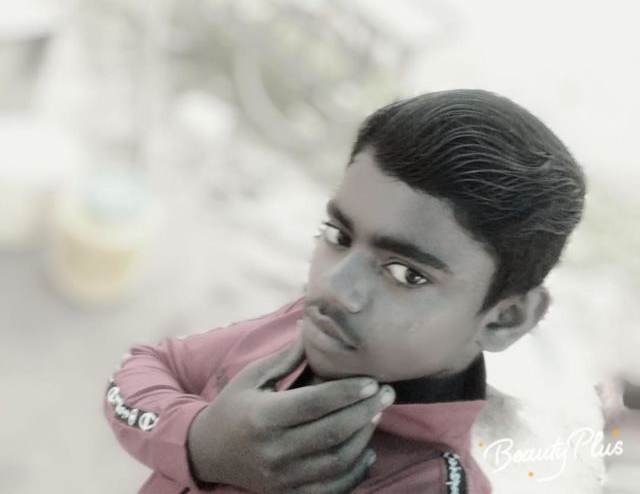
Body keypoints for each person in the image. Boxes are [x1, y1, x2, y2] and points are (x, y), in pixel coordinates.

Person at [104, 89, 586, 493]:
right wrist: (196, 440)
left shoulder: (425, 483)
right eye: (338, 236)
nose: (335, 287)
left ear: (506, 317)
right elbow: (146, 366)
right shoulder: (305, 329)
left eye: (407, 274)